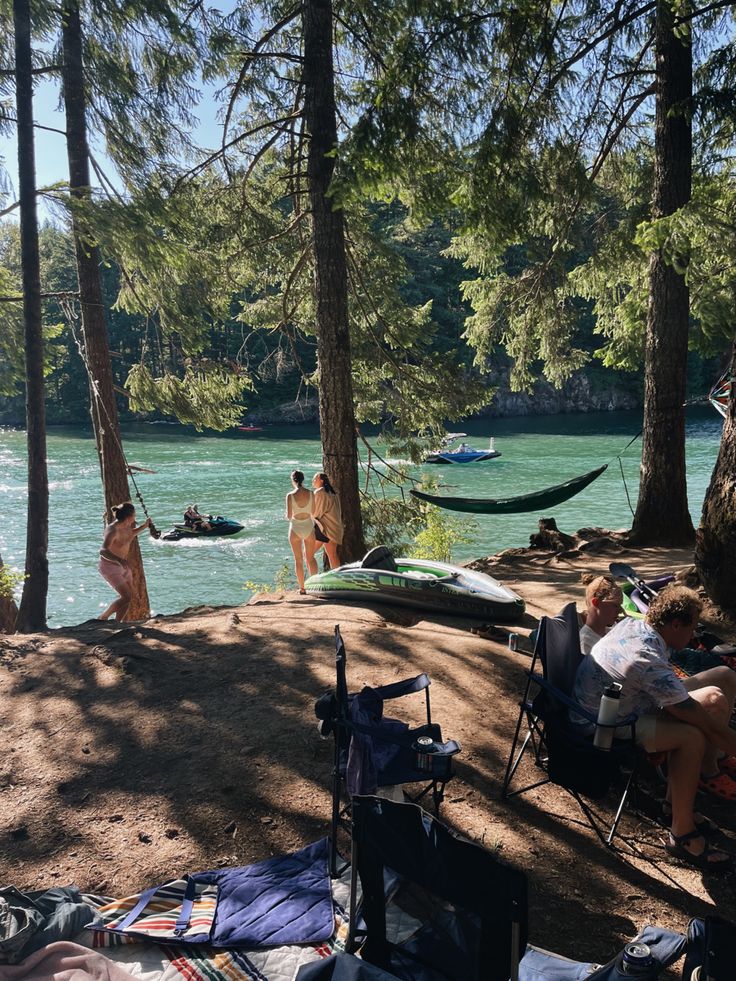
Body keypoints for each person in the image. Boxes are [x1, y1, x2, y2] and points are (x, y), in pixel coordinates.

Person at [572, 584, 736, 871]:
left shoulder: (635, 625)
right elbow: (702, 721)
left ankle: (704, 773)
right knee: (693, 735)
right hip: (607, 722)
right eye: (693, 627)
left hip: (625, 700)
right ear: (675, 624)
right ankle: (681, 832)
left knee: (723, 676)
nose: (694, 634)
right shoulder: (647, 657)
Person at [98, 502, 151, 622]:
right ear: (129, 517)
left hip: (123, 565)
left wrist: (145, 526)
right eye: (134, 515)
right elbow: (103, 551)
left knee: (129, 597)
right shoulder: (112, 530)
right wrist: (119, 560)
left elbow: (130, 535)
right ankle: (104, 617)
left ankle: (118, 623)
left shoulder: (127, 526)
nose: (135, 517)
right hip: (109, 566)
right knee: (126, 596)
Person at [285, 470, 318, 594]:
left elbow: (289, 516)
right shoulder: (311, 493)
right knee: (310, 558)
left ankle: (302, 588)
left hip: (295, 528)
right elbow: (313, 512)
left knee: (298, 560)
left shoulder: (290, 495)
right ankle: (315, 585)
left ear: (293, 480)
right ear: (303, 479)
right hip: (308, 526)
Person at [580, 575, 624, 654]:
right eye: (615, 605)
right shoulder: (586, 644)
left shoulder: (613, 631)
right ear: (596, 603)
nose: (620, 610)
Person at [312, 471, 344, 569]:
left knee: (308, 553)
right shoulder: (333, 493)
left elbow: (316, 513)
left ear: (321, 480)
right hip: (335, 528)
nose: (313, 481)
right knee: (332, 554)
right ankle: (337, 577)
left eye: (315, 479)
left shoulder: (319, 492)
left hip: (325, 529)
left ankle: (313, 578)